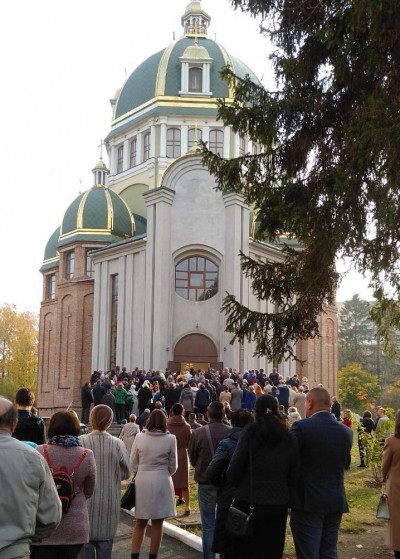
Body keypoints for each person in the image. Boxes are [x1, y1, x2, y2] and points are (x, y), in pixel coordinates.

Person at [226, 396, 299, 559]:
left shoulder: (249, 434)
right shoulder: (289, 438)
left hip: (247, 503)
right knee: (271, 552)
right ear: (277, 411)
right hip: (277, 507)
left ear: (256, 412)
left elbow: (233, 472)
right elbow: (294, 475)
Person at [290, 387, 353, 559]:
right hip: (335, 499)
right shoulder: (346, 432)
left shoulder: (301, 428)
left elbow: (290, 460)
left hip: (307, 501)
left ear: (309, 402)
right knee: (329, 551)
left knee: (308, 553)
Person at [0, 397, 62, 559]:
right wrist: (26, 539)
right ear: (14, 424)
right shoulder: (33, 457)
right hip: (14, 550)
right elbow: (51, 515)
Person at [32, 411, 96, 559]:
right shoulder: (87, 455)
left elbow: (33, 487)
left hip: (44, 523)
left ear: (51, 428)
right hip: (75, 524)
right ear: (76, 427)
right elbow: (89, 490)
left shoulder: (39, 451)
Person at [79, 404, 130, 559]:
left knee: (85, 546)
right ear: (110, 421)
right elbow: (127, 471)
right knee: (105, 547)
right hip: (109, 502)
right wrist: (113, 474)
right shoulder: (117, 443)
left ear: (91, 419)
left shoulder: (81, 441)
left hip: (85, 503)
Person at [205, 409, 254, 559]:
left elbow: (211, 472)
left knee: (228, 545)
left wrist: (223, 485)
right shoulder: (258, 443)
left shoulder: (227, 444)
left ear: (232, 423)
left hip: (229, 498)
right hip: (253, 498)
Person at [130, 409, 177, 559]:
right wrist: (164, 473)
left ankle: (134, 555)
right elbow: (173, 465)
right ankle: (152, 556)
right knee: (158, 522)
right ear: (165, 422)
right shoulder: (171, 439)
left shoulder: (139, 437)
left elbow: (133, 462)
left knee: (140, 521)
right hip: (162, 479)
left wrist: (141, 471)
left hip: (143, 479)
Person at [189, 401, 231, 559]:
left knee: (208, 523)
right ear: (223, 414)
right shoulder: (231, 432)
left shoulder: (198, 433)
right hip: (226, 483)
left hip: (205, 481)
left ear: (207, 414)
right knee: (225, 521)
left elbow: (192, 457)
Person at [167, 403, 192, 516]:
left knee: (169, 481)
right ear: (182, 412)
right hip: (182, 453)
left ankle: (169, 506)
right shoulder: (187, 427)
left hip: (169, 454)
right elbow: (189, 441)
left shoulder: (167, 425)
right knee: (184, 482)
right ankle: (187, 506)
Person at [382, 410, 400, 558]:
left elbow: (385, 465)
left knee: (396, 521)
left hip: (396, 486)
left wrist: (383, 477)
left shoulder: (392, 441)